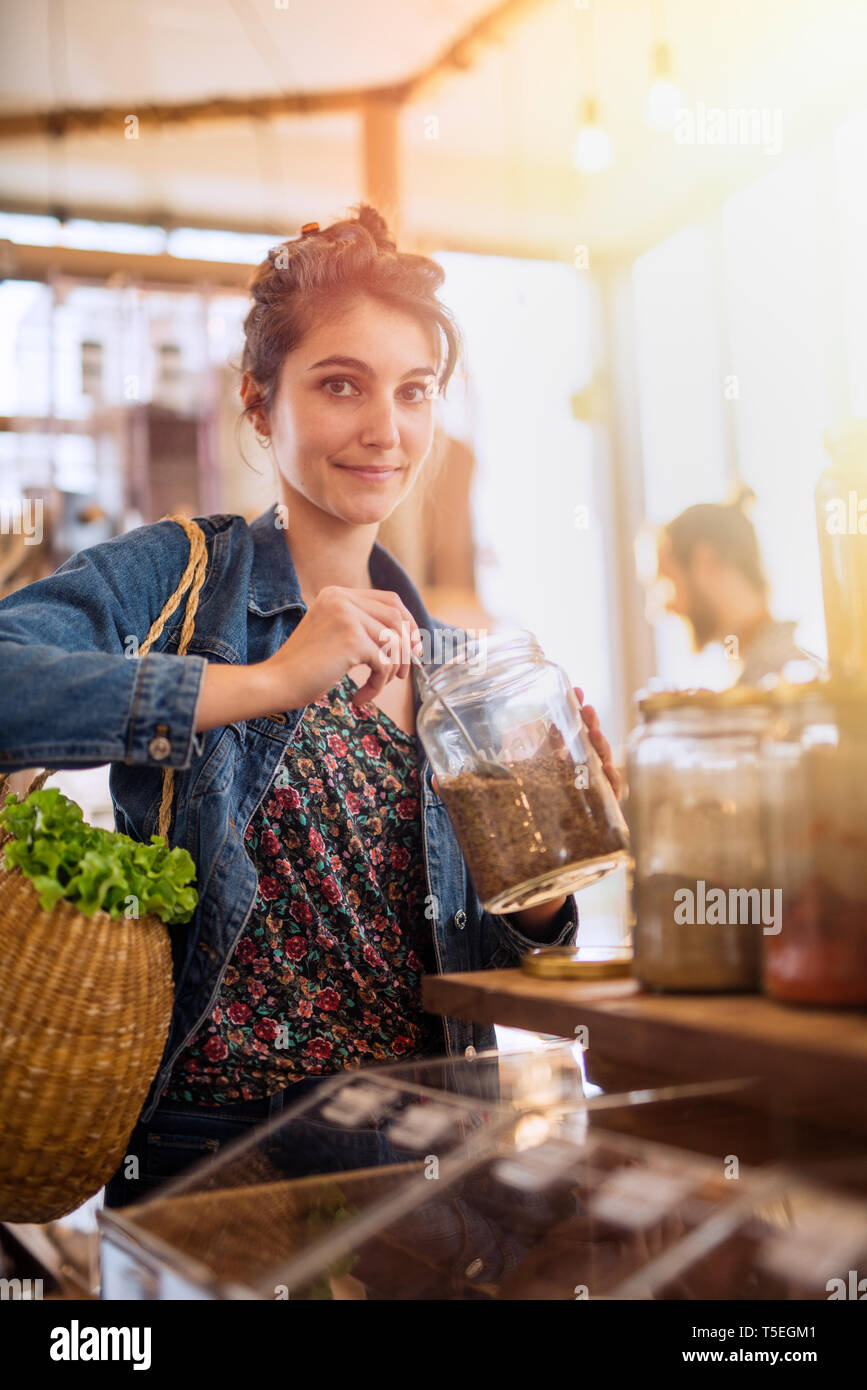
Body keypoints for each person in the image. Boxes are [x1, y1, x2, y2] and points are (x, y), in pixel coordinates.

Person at [0, 204, 619, 1209]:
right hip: (215, 1168)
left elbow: (492, 952)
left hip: (432, 1165)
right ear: (258, 402)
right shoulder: (182, 578)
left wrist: (546, 878)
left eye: (414, 392)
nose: (385, 428)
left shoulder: (458, 669)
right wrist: (269, 681)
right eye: (341, 384)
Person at [655, 486, 821, 685]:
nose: (666, 607)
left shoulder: (788, 679)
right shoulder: (766, 673)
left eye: (668, 585)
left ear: (706, 563)